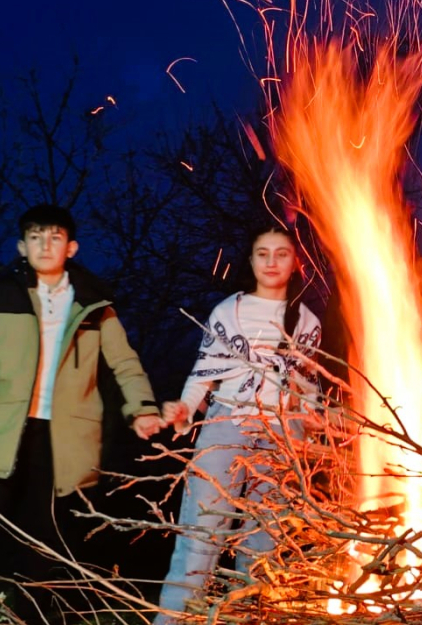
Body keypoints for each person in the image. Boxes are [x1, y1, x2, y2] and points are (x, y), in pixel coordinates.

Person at [0, 205, 165, 617]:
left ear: (72, 247)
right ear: (21, 246)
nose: (44, 245)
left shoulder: (96, 305)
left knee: (46, 542)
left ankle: (35, 614)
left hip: (63, 441)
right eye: (35, 237)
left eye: (55, 237)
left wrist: (142, 409)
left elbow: (124, 363)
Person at [155, 224, 321, 624]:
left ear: (295, 262)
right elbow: (204, 373)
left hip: (282, 438)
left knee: (263, 545)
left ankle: (246, 616)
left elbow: (308, 389)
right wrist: (186, 408)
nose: (271, 261)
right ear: (251, 260)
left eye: (281, 253)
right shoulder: (229, 310)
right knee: (201, 534)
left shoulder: (307, 320)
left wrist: (315, 433)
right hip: (227, 425)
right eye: (262, 253)